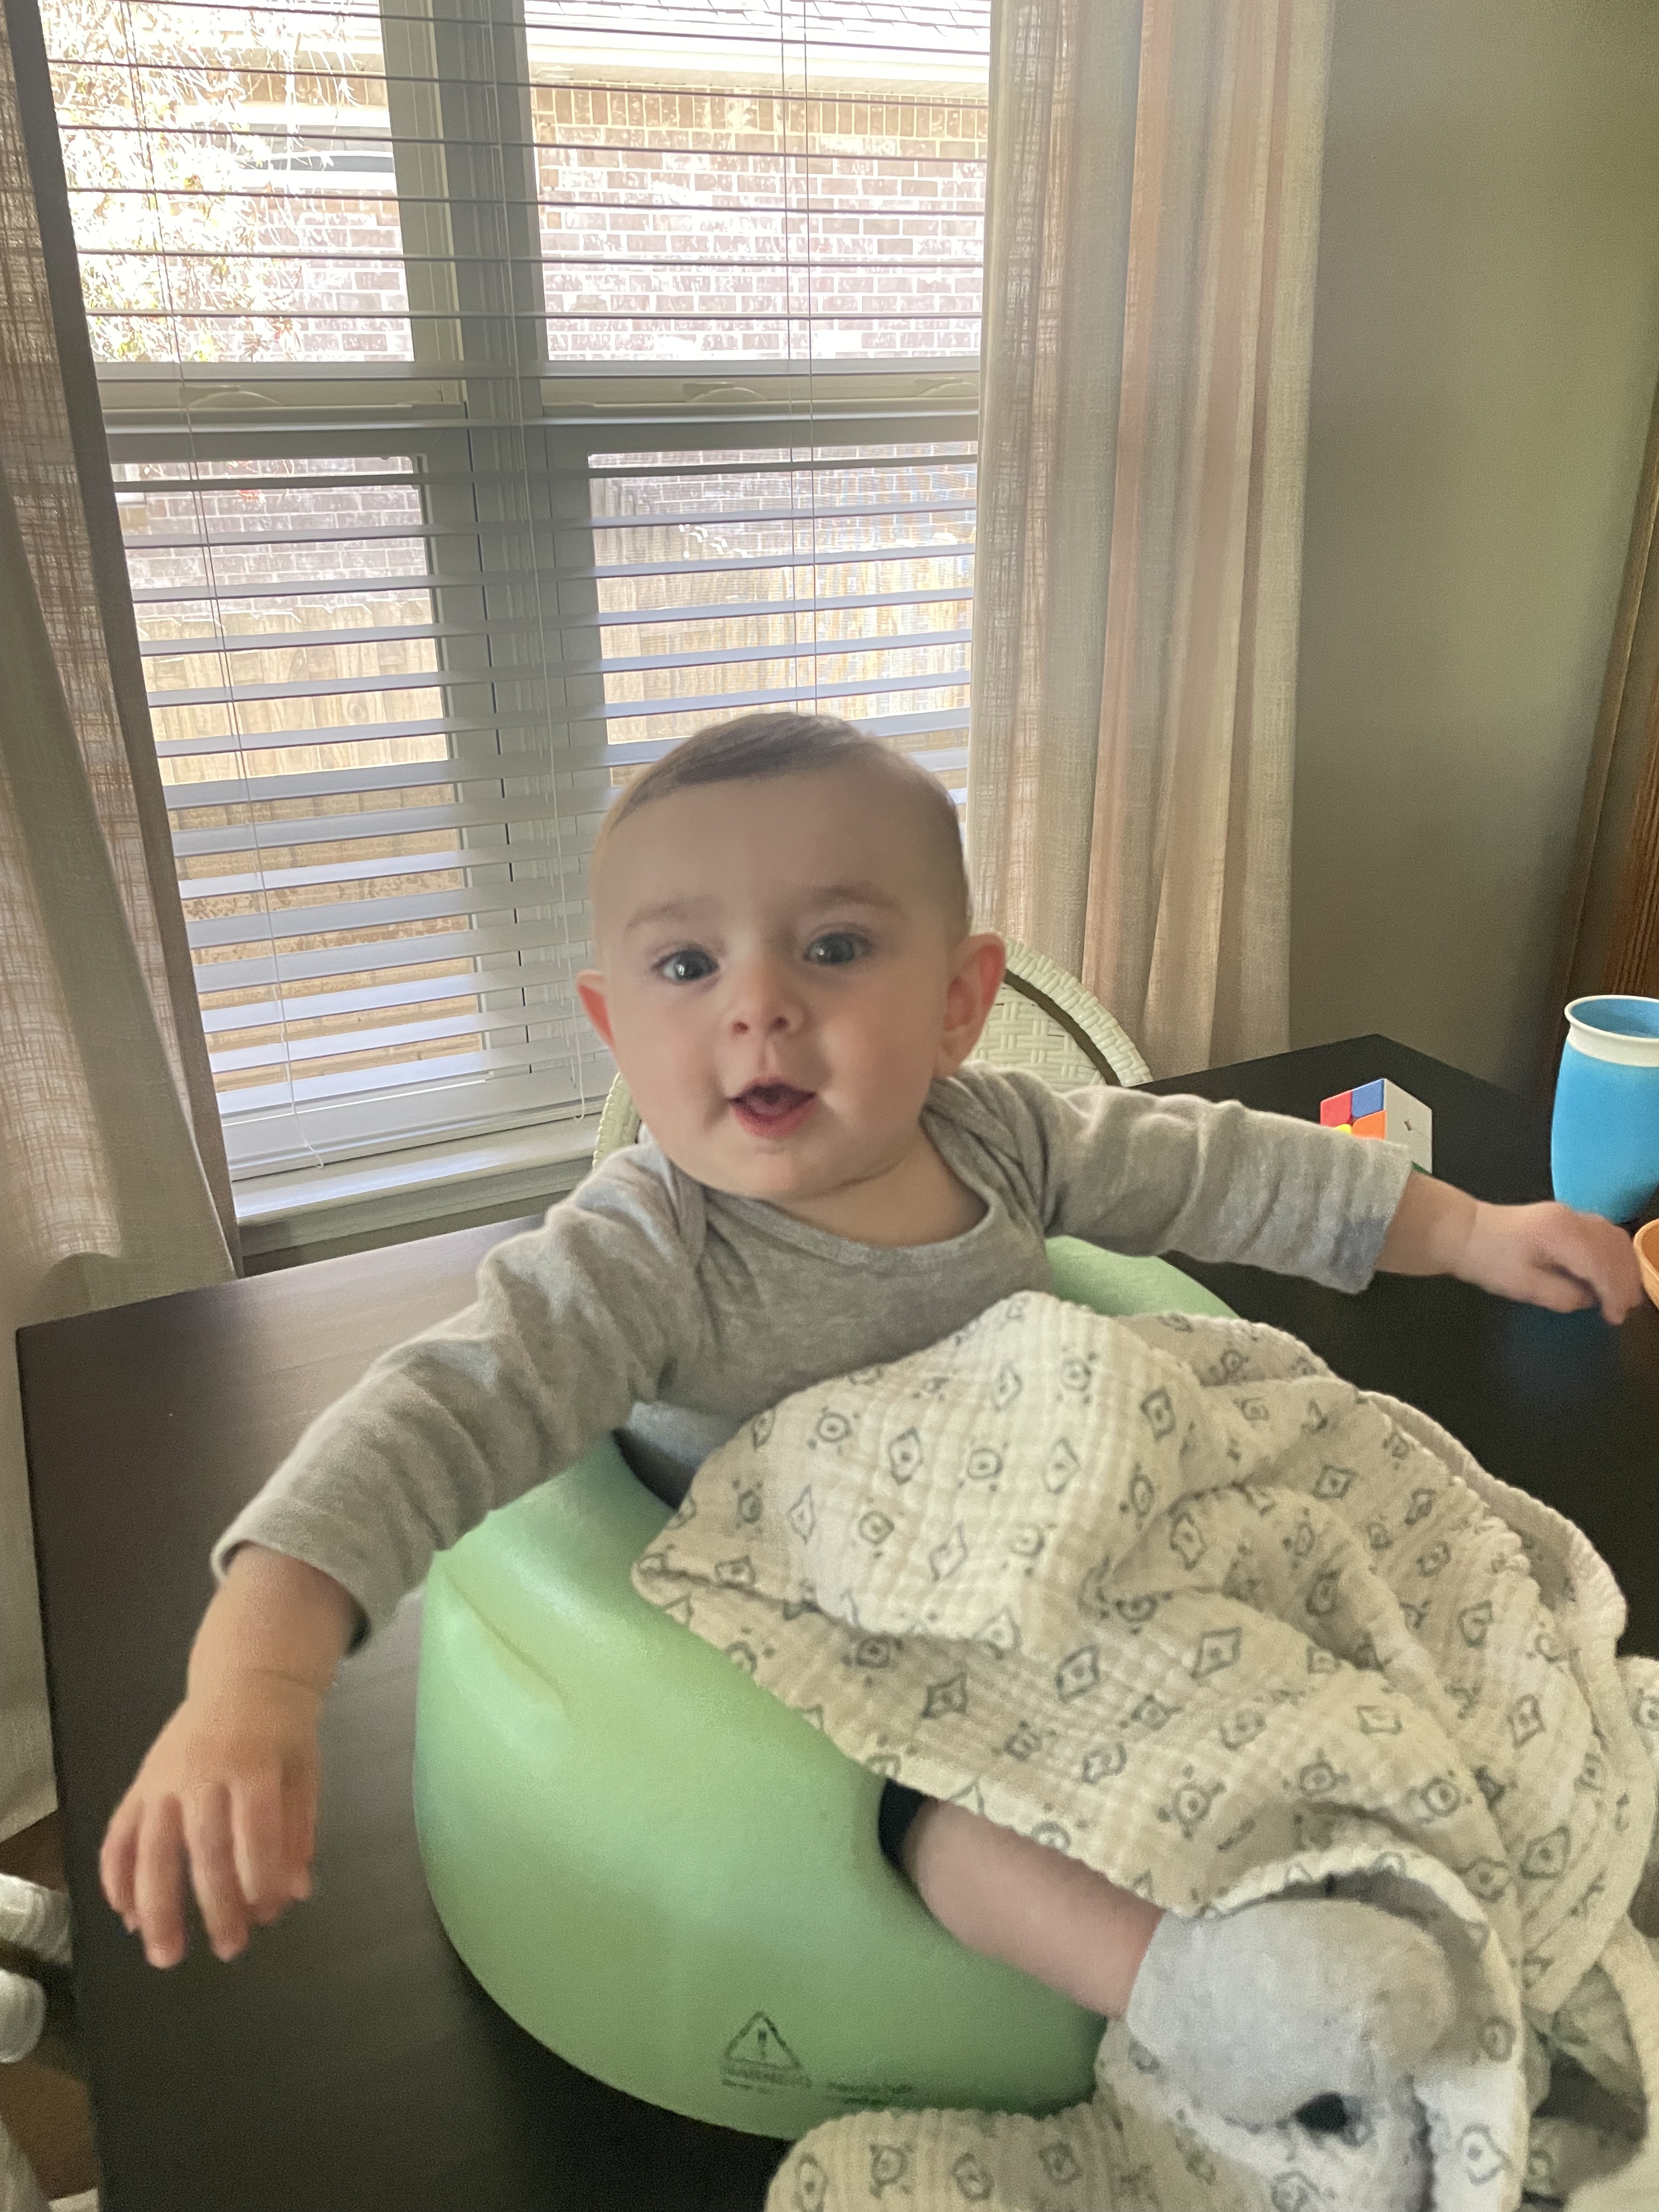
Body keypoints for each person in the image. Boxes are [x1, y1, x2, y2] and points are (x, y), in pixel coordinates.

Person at [100, 714, 1642, 2120]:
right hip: (855, 1662)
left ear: (960, 1002)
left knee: (1326, 1580)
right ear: (613, 1025)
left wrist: (1466, 1230)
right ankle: (1200, 1992)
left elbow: (1222, 1169)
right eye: (687, 966)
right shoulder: (645, 1252)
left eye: (834, 947)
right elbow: (436, 1414)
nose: (760, 1008)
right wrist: (255, 1677)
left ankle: (1385, 1836)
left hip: (1071, 1578)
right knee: (937, 1823)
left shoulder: (1005, 1138)